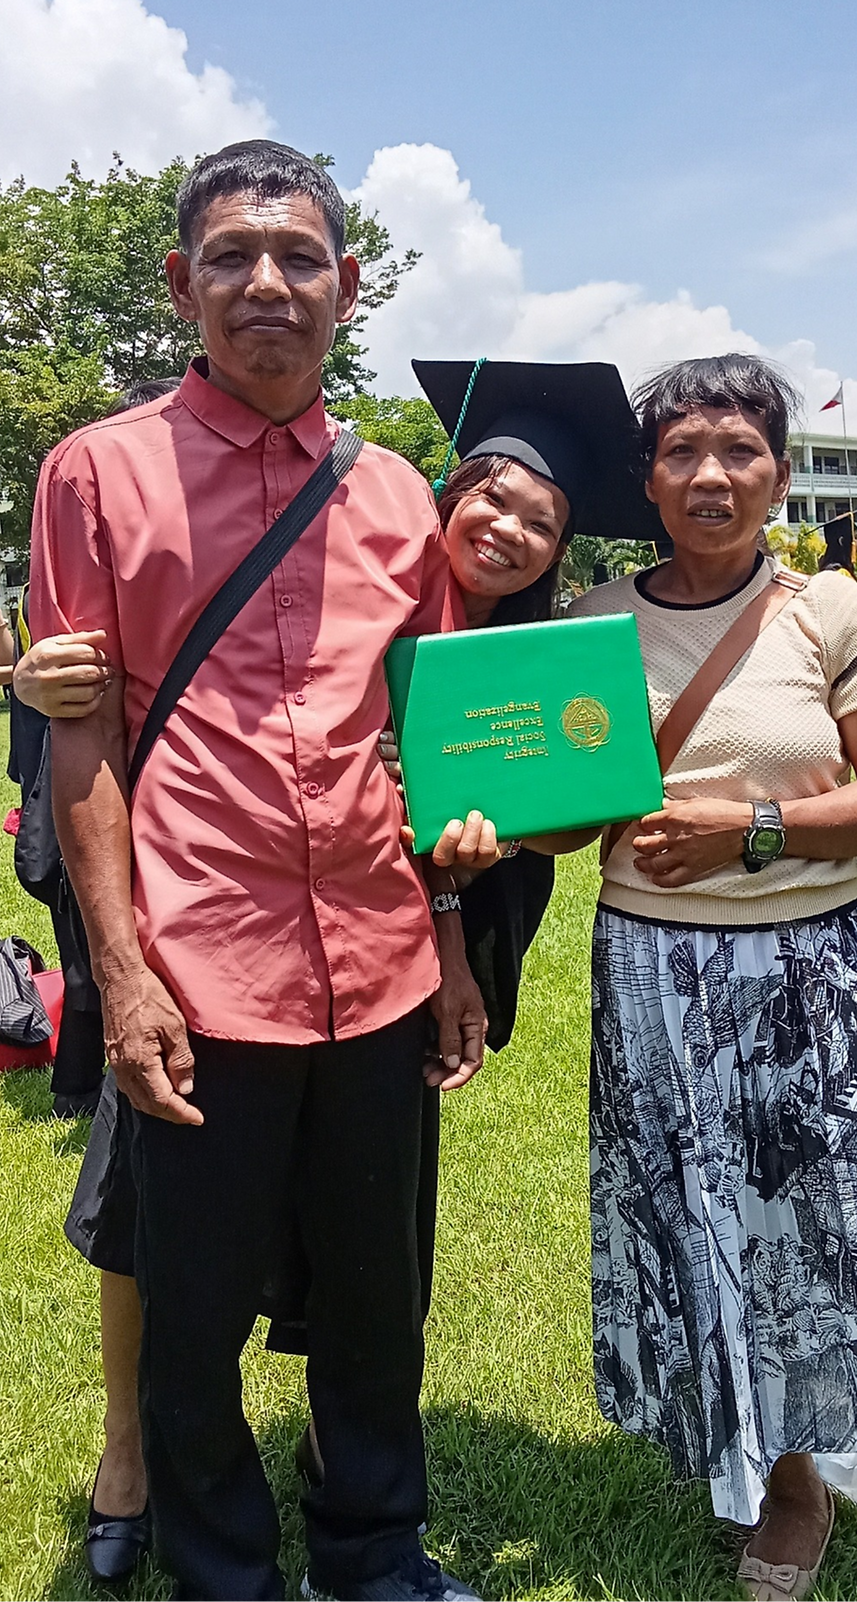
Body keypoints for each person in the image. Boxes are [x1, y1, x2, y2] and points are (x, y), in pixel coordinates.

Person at [18, 356, 660, 1559]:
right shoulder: (327, 523)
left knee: (367, 1246)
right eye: (494, 496)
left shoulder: (539, 633)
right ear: (450, 489)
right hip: (207, 929)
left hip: (409, 928)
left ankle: (352, 1485)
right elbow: (133, 692)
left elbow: (568, 802)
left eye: (542, 519)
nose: (508, 528)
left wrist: (457, 930)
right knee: (154, 1226)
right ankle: (135, 1460)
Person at [28, 139, 489, 1602]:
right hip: (199, 967)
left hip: (380, 960)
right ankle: (224, 1569)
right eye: (231, 255)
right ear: (183, 283)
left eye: (299, 257)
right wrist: (121, 967)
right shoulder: (94, 475)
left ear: (347, 288)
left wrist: (456, 948)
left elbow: (434, 748)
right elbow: (78, 738)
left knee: (376, 1299)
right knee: (192, 1305)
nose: (266, 283)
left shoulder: (400, 500)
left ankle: (374, 1551)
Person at [539, 354, 857, 1602]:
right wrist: (508, 821)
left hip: (812, 973)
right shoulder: (591, 622)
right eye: (681, 452)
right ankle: (786, 1491)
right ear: (647, 478)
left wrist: (752, 834)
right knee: (716, 1232)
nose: (710, 475)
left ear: (777, 474)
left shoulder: (828, 612)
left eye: (736, 449)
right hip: (650, 980)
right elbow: (571, 823)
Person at [9, 381, 181, 1122]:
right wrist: (28, 676)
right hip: (88, 770)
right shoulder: (76, 529)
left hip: (148, 779)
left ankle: (90, 1085)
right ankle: (90, 1086)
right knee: (90, 937)